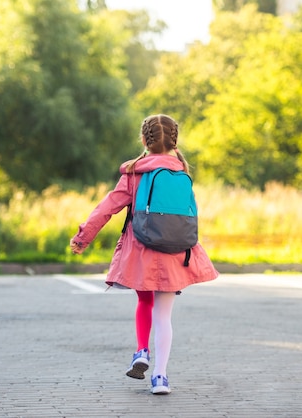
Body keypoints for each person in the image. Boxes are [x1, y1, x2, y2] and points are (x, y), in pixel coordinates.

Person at [69, 114, 219, 395]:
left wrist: (82, 238)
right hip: (175, 252)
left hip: (142, 249)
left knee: (144, 301)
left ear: (144, 140)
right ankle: (160, 377)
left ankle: (141, 350)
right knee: (165, 316)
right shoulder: (181, 173)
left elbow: (106, 208)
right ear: (175, 141)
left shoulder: (134, 175)